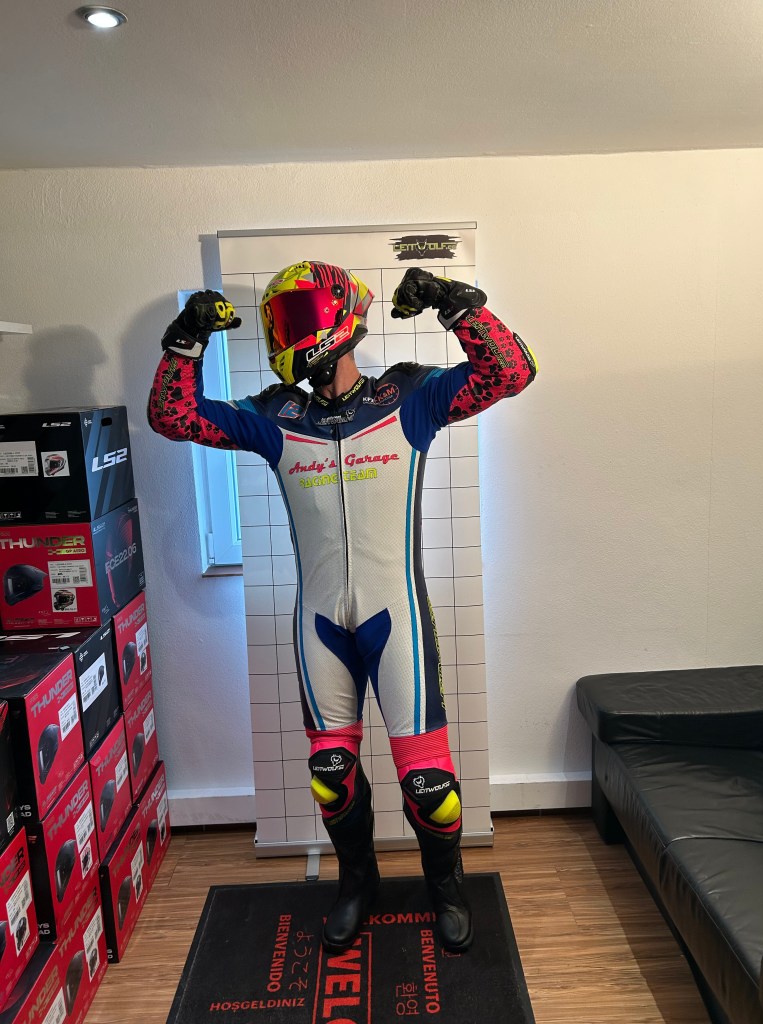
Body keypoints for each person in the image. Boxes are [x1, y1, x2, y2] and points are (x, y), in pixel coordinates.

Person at [148, 261, 537, 954]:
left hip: (397, 616)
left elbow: (511, 372)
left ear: (341, 319)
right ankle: (357, 883)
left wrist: (458, 306)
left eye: (294, 319)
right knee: (330, 777)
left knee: (430, 784)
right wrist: (185, 341)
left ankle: (446, 885)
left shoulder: (407, 397)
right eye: (277, 324)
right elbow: (172, 417)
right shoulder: (277, 416)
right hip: (320, 622)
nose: (284, 336)